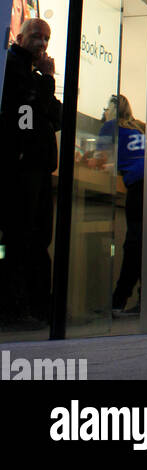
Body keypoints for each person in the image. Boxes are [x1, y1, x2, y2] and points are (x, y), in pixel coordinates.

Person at [0, 17, 61, 328]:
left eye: (47, 38)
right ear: (20, 36)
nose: (42, 43)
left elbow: (57, 114)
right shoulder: (13, 67)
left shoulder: (33, 75)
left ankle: (38, 307)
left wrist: (44, 88)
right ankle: (16, 308)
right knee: (20, 238)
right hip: (21, 167)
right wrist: (46, 82)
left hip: (38, 168)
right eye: (37, 36)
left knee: (38, 239)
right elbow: (32, 108)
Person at [97, 94, 147, 316]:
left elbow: (99, 160)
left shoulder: (110, 128)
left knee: (134, 243)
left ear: (111, 110)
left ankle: (118, 302)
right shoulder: (137, 130)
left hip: (141, 183)